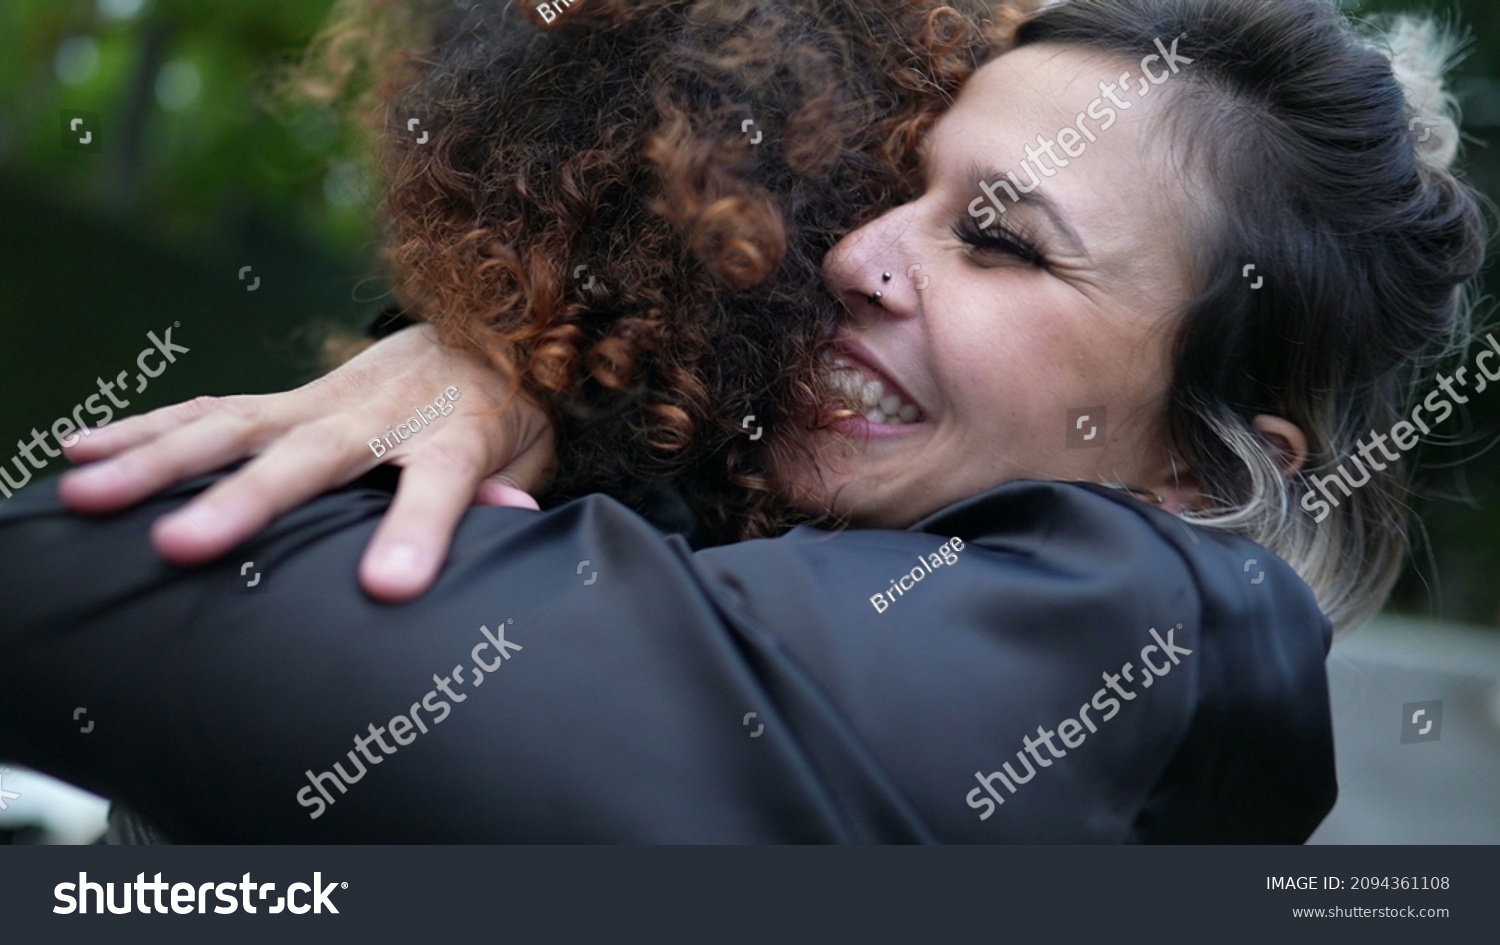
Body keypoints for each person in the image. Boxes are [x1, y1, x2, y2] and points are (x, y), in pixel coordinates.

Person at [0, 0, 1483, 842]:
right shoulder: (750, 518)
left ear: (1193, 465)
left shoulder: (1131, 626)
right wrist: (499, 367)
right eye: (897, 184)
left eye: (1005, 240)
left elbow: (112, 608)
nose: (853, 254)